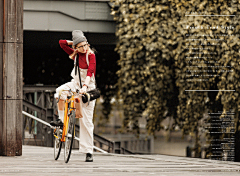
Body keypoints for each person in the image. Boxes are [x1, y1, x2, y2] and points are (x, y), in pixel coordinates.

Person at [50, 30, 96, 162]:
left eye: (85, 45)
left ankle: (88, 152)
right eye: (80, 46)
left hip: (88, 89)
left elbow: (90, 73)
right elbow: (62, 43)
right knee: (60, 92)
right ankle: (61, 120)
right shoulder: (75, 54)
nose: (84, 48)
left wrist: (85, 88)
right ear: (76, 47)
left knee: (86, 121)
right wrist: (75, 43)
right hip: (74, 84)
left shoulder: (90, 56)